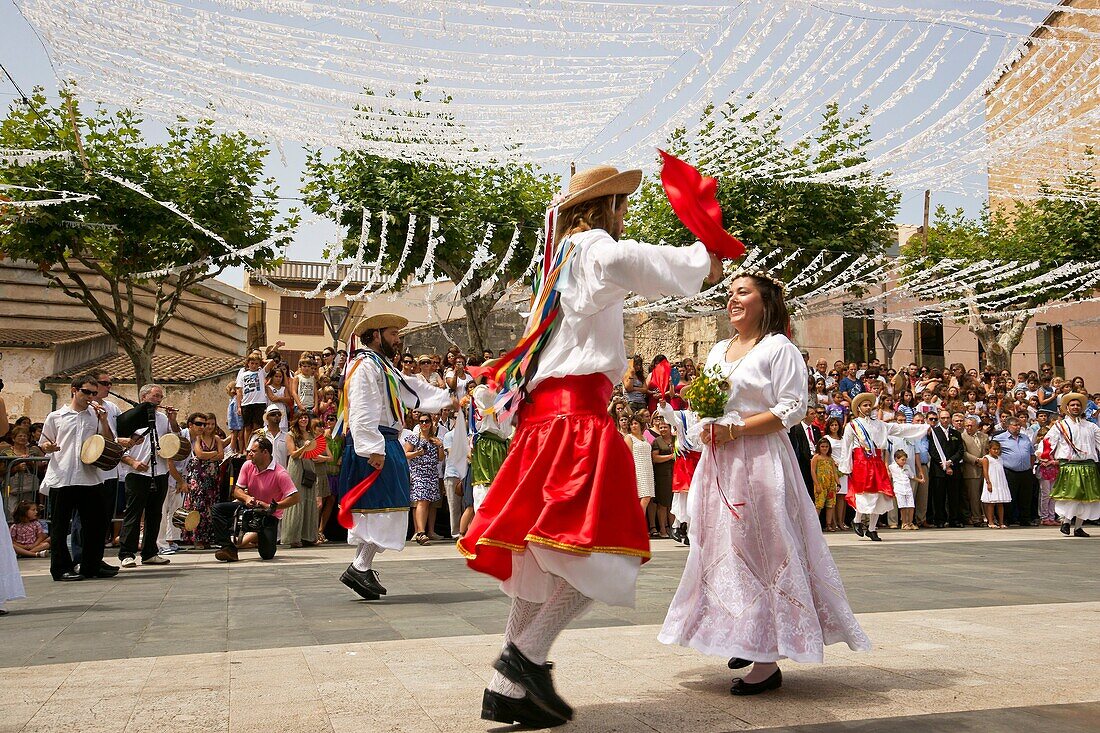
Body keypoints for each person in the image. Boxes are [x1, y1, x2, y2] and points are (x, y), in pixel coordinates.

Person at [458, 164, 722, 726]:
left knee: (542, 558)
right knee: (600, 555)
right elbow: (638, 261)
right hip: (576, 422)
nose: (626, 215)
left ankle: (505, 685)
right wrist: (705, 259)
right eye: (622, 205)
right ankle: (523, 658)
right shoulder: (596, 248)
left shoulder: (558, 263)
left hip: (543, 424)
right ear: (607, 207)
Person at [659, 274, 869, 697]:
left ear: (766, 300)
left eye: (742, 291)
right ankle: (746, 634)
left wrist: (735, 429)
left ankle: (768, 658)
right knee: (724, 549)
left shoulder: (779, 348)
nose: (732, 298)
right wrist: (706, 425)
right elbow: (706, 402)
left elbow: (791, 408)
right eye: (730, 291)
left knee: (766, 549)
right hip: (720, 462)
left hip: (759, 462)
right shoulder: (720, 349)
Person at [336, 314, 454, 602]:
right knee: (387, 508)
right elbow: (362, 409)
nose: (397, 339)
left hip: (384, 441)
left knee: (385, 508)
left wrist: (447, 397)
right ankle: (359, 566)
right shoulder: (365, 366)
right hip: (376, 443)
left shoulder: (381, 366)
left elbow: (413, 390)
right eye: (392, 334)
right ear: (375, 335)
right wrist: (373, 449)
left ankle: (360, 567)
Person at [39, 375, 117, 581]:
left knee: (95, 525)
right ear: (74, 390)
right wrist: (49, 447)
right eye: (86, 392)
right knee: (59, 526)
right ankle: (61, 568)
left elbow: (107, 441)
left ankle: (91, 566)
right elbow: (44, 442)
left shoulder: (96, 415)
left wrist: (103, 421)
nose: (90, 396)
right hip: (62, 476)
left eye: (94, 392)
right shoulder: (56, 416)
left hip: (90, 478)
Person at [838, 392, 929, 541]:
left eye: (869, 405)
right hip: (862, 463)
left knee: (881, 495)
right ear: (858, 408)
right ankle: (857, 520)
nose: (868, 408)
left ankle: (872, 529)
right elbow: (846, 446)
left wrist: (922, 428)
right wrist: (846, 466)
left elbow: (900, 429)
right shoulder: (852, 425)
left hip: (877, 463)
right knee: (864, 494)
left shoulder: (880, 425)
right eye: (865, 405)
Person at [117, 384, 179, 568]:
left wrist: (173, 420)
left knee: (155, 514)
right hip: (137, 473)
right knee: (133, 514)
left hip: (159, 471)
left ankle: (150, 552)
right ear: (144, 397)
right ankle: (127, 553)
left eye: (160, 397)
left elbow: (175, 438)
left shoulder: (162, 418)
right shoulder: (129, 418)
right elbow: (118, 445)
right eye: (155, 396)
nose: (159, 400)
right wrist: (133, 462)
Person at [212, 435, 301, 561]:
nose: (249, 454)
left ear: (265, 452)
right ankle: (228, 548)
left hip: (268, 513)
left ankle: (257, 538)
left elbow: (295, 497)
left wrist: (273, 506)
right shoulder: (248, 465)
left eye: (253, 451)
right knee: (217, 509)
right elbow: (237, 491)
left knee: (267, 554)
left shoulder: (280, 473)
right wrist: (246, 498)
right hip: (249, 507)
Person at [1045, 393, 1100, 537]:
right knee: (1071, 495)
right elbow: (1048, 442)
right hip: (1070, 466)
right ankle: (1066, 521)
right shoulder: (1060, 426)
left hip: (1088, 466)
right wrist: (1045, 455)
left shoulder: (1091, 426)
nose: (1075, 407)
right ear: (1067, 408)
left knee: (1087, 498)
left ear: (1081, 408)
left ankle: (1078, 527)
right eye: (1072, 405)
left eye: (1078, 405)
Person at [656, 397, 700, 546]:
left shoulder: (704, 415)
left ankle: (689, 528)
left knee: (699, 494)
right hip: (687, 459)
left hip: (701, 458)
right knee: (685, 495)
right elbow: (670, 417)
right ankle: (681, 525)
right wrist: (664, 406)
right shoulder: (682, 416)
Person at [283, 412, 329, 548]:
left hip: (309, 467)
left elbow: (315, 451)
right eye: (301, 418)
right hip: (297, 468)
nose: (304, 420)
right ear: (296, 420)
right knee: (297, 500)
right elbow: (293, 454)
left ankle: (309, 536)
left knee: (310, 499)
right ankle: (293, 537)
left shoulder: (311, 435)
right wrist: (304, 447)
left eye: (306, 418)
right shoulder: (290, 435)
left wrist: (319, 455)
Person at [469, 381, 512, 512]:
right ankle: (483, 521)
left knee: (503, 486)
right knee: (485, 484)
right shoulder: (483, 391)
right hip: (487, 444)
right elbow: (483, 397)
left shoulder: (508, 397)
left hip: (504, 445)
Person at [184, 413, 222, 550]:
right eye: (206, 424)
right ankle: (197, 539)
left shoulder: (216, 439)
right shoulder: (198, 438)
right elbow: (199, 454)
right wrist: (213, 454)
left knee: (210, 508)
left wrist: (209, 456)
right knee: (198, 507)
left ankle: (208, 538)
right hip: (199, 478)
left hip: (212, 478)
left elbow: (221, 455)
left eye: (212, 424)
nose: (209, 427)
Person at [993, 417, 1037, 527]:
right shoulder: (999, 438)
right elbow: (994, 454)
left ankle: (1025, 519)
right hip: (1009, 472)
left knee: (1026, 497)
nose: (1018, 427)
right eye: (1015, 425)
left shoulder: (1025, 438)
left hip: (1026, 472)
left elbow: (1032, 454)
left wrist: (1030, 468)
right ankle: (1007, 519)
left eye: (1019, 425)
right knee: (1009, 496)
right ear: (1008, 426)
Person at [926, 411, 967, 528]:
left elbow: (960, 450)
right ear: (939, 419)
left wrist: (950, 462)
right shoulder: (933, 432)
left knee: (954, 496)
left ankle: (954, 519)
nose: (945, 420)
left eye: (947, 418)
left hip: (954, 468)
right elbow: (932, 450)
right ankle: (939, 520)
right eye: (943, 418)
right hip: (938, 469)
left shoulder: (956, 433)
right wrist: (944, 464)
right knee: (939, 496)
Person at [235, 343, 283, 439]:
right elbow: (239, 391)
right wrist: (239, 406)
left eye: (256, 363)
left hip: (259, 403)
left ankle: (256, 444)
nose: (254, 365)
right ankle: (247, 448)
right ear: (248, 363)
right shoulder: (243, 374)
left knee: (257, 427)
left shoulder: (261, 372)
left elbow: (272, 362)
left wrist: (262, 360)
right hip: (246, 403)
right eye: (252, 363)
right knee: (247, 427)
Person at [960, 417, 991, 527]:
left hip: (985, 469)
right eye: (967, 425)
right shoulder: (962, 437)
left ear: (977, 426)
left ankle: (989, 517)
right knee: (974, 496)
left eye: (971, 425)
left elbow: (987, 450)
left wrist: (985, 460)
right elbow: (963, 453)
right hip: (971, 470)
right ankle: (976, 518)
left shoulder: (984, 436)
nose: (969, 428)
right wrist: (976, 460)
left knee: (986, 495)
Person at [651, 418, 676, 539]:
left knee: (672, 503)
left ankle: (672, 529)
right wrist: (670, 456)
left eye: (665, 427)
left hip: (675, 475)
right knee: (663, 504)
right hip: (662, 476)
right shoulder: (657, 441)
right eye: (661, 427)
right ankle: (662, 529)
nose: (663, 429)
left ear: (670, 428)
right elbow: (655, 458)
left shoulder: (675, 440)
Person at [981, 440, 1012, 529]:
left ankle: (1001, 522)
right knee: (991, 502)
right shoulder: (986, 458)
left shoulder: (1000, 458)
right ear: (989, 449)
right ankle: (990, 521)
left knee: (1000, 503)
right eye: (994, 449)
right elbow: (985, 471)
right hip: (992, 481)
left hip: (1000, 482)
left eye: (998, 449)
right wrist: (988, 482)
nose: (996, 451)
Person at [811, 438, 839, 530]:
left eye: (826, 446)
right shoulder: (816, 457)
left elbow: (834, 472)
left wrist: (838, 484)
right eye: (822, 446)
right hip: (820, 484)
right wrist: (817, 484)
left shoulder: (830, 459)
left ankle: (828, 524)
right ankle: (814, 525)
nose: (824, 448)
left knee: (830, 505)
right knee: (819, 504)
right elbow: (813, 471)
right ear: (819, 447)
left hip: (830, 485)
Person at [888, 450, 917, 530]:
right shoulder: (892, 467)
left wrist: (920, 480)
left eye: (905, 460)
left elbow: (912, 476)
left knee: (911, 506)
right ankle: (904, 523)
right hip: (899, 489)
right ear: (896, 459)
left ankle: (910, 523)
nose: (904, 462)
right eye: (902, 460)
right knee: (903, 507)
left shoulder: (907, 467)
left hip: (907, 488)